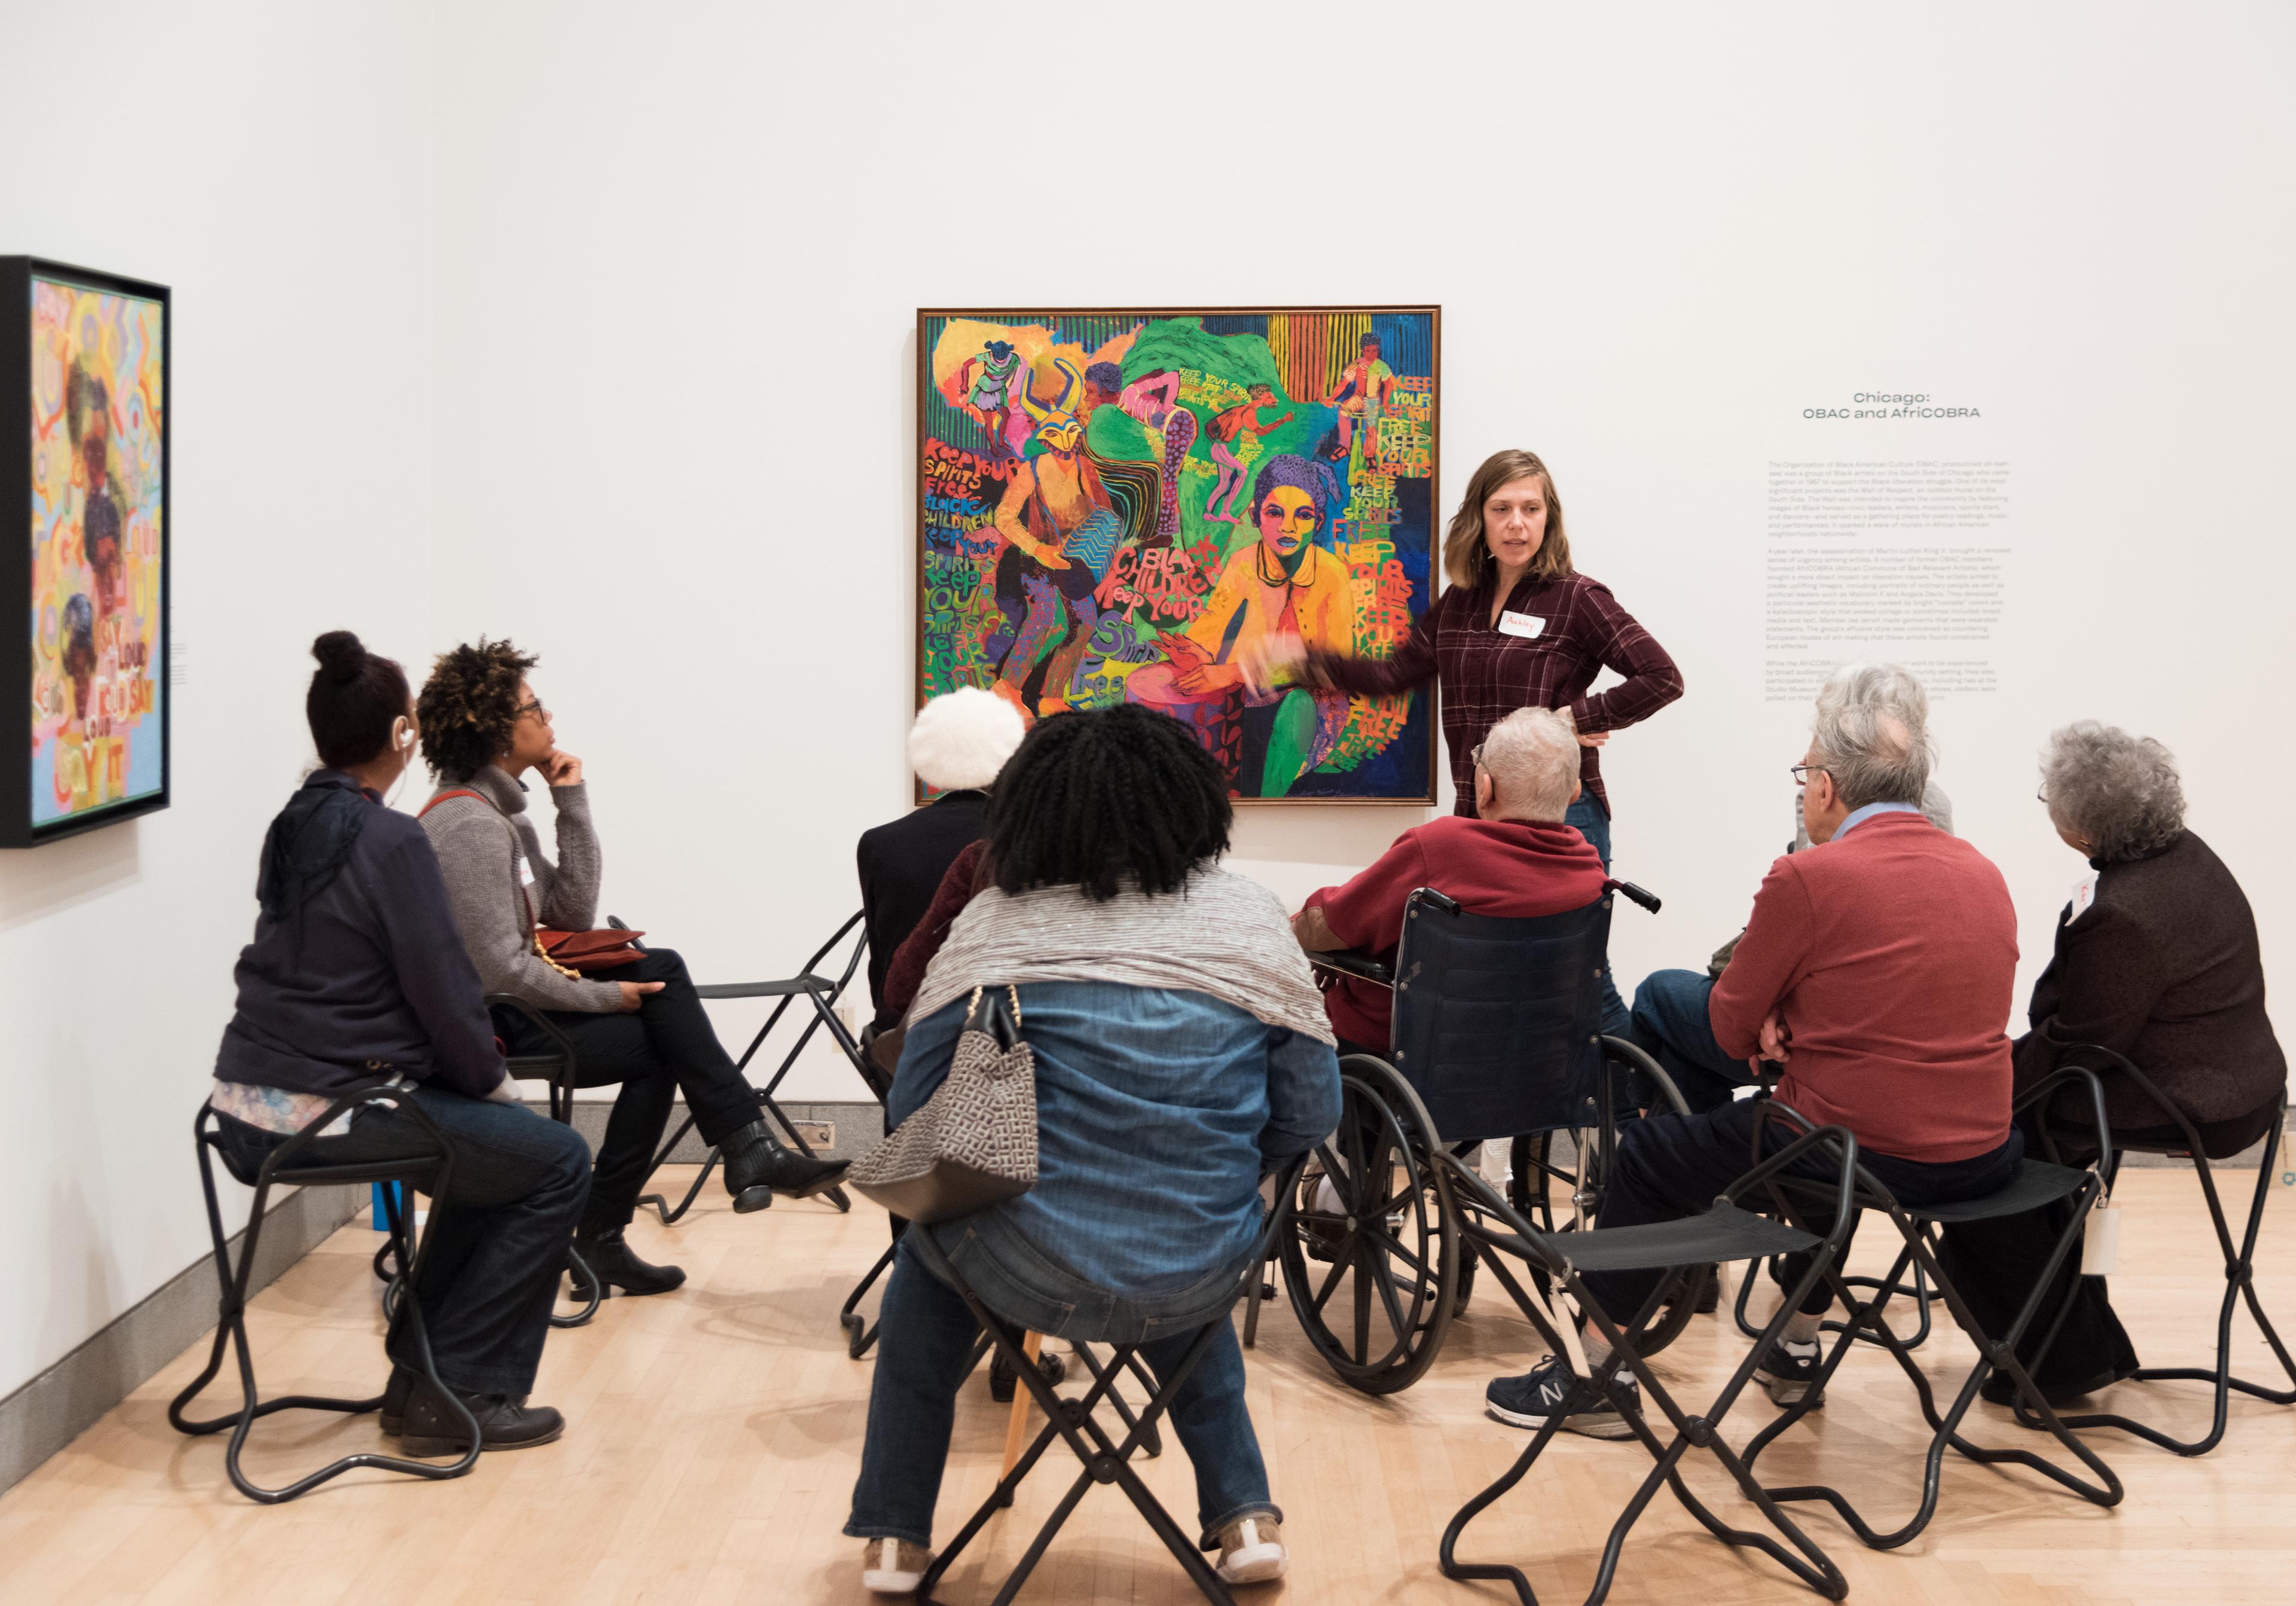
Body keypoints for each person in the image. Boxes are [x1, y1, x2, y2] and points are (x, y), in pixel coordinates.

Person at [847, 704, 1342, 1593]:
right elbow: (1312, 1109)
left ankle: (895, 1534)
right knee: (1181, 1242)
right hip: (1201, 1264)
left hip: (1019, 1265)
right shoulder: (1250, 921)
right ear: (1192, 803)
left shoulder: (996, 925)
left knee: (926, 1260)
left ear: (1032, 809)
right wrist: (1209, 1173)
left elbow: (915, 1101)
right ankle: (1243, 1514)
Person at [1483, 664, 2026, 1433]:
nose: (1803, 787)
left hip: (1852, 1152)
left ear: (1830, 788)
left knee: (1648, 1153)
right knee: (1760, 1124)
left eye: (1806, 773)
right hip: (1982, 1156)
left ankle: (1593, 1374)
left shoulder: (1810, 874)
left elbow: (1734, 1031)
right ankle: (1790, 1337)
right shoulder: (1985, 873)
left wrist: (1779, 1017)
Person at [209, 632, 591, 1454]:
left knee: (496, 1161)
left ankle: (425, 1377)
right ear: (400, 736)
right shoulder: (391, 840)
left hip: (241, 1102)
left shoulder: (293, 824)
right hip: (324, 1108)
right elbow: (446, 989)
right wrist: (492, 1082)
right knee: (554, 1158)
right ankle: (462, 1387)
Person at [416, 638, 845, 1300]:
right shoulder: (468, 826)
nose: (549, 716)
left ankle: (619, 1226)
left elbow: (570, 911)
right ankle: (730, 1152)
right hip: (498, 1026)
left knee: (661, 1038)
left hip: (524, 1009)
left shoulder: (502, 818)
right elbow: (499, 971)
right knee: (663, 991)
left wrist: (572, 803)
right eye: (535, 707)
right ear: (498, 731)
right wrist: (608, 997)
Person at [1254, 447, 1684, 1033]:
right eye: (1502, 507)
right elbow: (1392, 675)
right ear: (1479, 519)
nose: (1516, 523)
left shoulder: (1576, 597)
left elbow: (1662, 677)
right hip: (1479, 816)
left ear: (1548, 518)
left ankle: (1629, 1112)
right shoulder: (1460, 604)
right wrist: (1307, 663)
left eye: (1531, 509)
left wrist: (1569, 720)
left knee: (1577, 976)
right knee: (1486, 977)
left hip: (1563, 814)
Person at [1941, 723, 2286, 1403]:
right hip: (2242, 1077)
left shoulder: (2124, 914)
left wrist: (1981, 1085)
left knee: (1979, 1153)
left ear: (2081, 828)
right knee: (2011, 1134)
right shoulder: (2186, 855)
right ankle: (2073, 1338)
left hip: (2191, 1096)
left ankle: (2057, 1359)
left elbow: (2079, 1046)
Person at [1628, 780, 1959, 1115]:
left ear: (1827, 790)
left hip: (1822, 1061)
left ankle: (1637, 1139)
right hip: (1925, 1071)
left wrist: (1770, 1010)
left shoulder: (1817, 866)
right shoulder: (1964, 873)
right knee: (1684, 1048)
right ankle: (1662, 1143)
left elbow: (1736, 1002)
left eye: (1809, 769)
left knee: (1658, 995)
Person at [1292, 706, 1607, 1054]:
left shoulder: (1443, 848)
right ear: (1575, 791)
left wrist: (1288, 924)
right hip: (1533, 1051)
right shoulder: (1589, 870)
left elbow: (1334, 923)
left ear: (1485, 788)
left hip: (1407, 1045)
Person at [1126, 454, 1354, 795]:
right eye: (1274, 513)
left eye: (1302, 516)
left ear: (1318, 522)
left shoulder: (1332, 573)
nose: (1288, 528)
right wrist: (1195, 652)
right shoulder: (1244, 562)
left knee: (1296, 707)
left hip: (1311, 700)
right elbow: (1213, 622)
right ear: (1255, 517)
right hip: (1246, 694)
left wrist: (1234, 672)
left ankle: (1267, 806)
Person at [856, 688, 1027, 1031]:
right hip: (1013, 1032)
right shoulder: (1030, 838)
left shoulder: (878, 843)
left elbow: (882, 968)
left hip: (905, 1031)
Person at [1206, 384, 1294, 523]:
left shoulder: (1239, 409)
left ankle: (1211, 513)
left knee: (1224, 484)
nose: (1274, 399)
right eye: (1270, 396)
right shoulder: (1249, 412)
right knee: (1243, 472)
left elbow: (1210, 426)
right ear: (1261, 397)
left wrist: (1216, 443)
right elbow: (1262, 432)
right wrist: (1283, 420)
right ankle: (1225, 511)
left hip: (1221, 448)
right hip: (1221, 449)